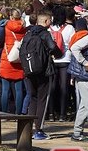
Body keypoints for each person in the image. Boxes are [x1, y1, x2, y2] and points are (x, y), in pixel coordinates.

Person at [23, 11, 61, 140]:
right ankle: (38, 130)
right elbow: (53, 47)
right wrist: (58, 52)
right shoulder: (45, 34)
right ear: (46, 21)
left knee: (32, 98)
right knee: (42, 100)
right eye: (50, 20)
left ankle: (28, 128)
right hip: (44, 71)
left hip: (28, 71)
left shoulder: (28, 34)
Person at [0, 8, 26, 114]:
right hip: (18, 59)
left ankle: (4, 113)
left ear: (11, 16)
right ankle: (18, 113)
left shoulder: (6, 26)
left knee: (5, 89)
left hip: (7, 58)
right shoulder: (24, 27)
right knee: (19, 90)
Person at [48, 5, 74, 122]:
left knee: (52, 87)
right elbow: (73, 44)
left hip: (52, 60)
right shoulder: (70, 29)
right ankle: (63, 114)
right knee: (64, 87)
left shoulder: (49, 28)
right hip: (66, 59)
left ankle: (51, 113)